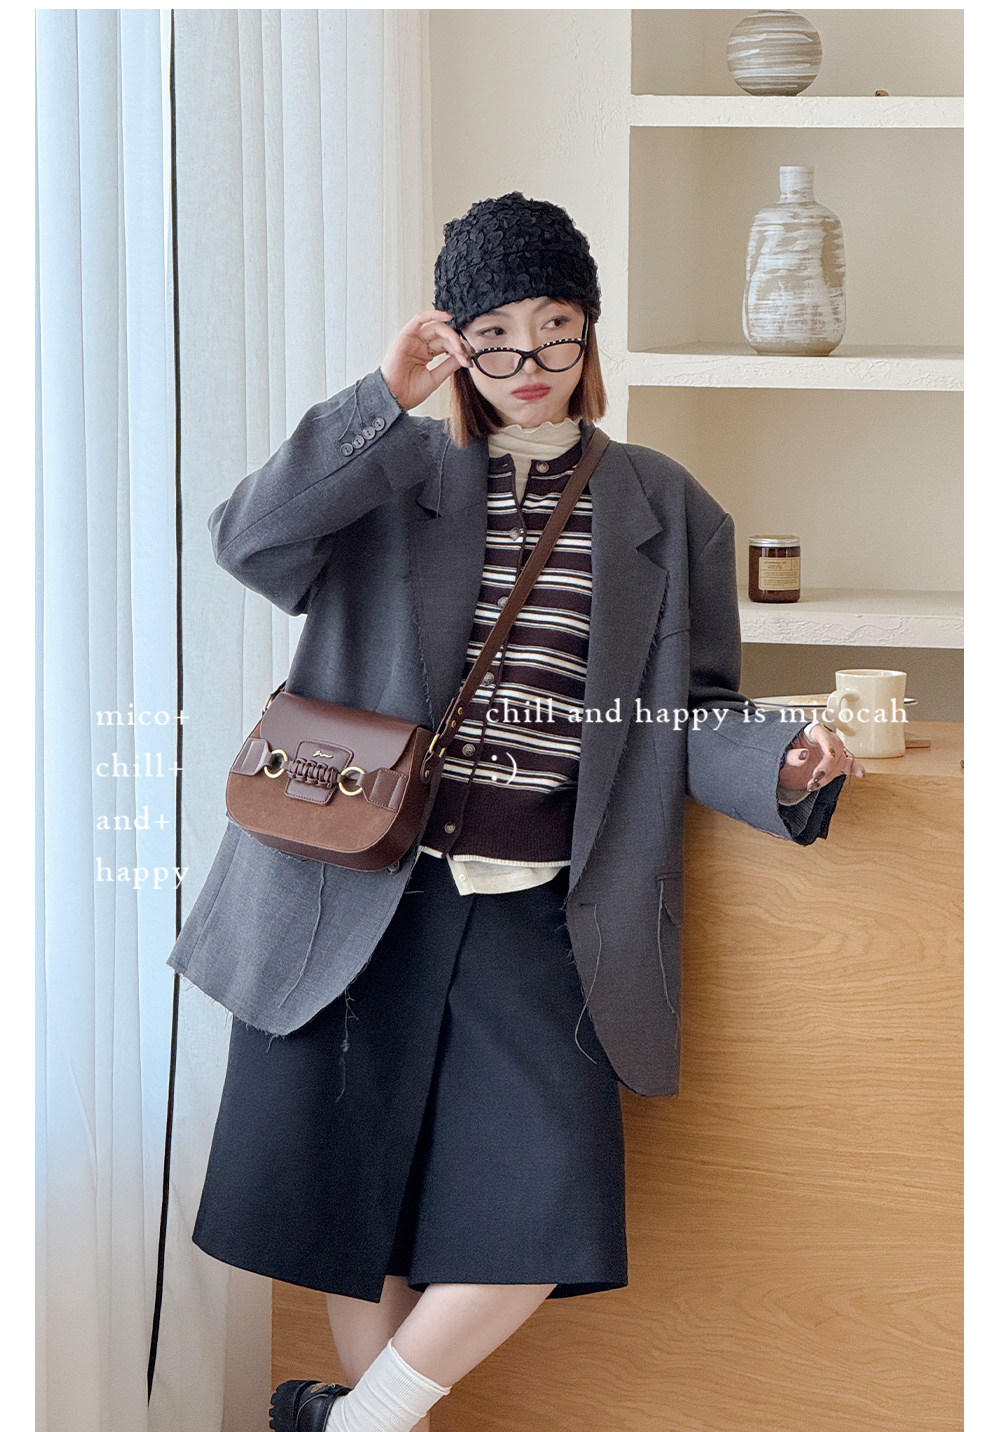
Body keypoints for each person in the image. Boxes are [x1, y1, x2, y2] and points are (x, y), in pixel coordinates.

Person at [168, 193, 863, 1432]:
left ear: (589, 333)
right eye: (493, 334)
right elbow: (245, 540)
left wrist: (781, 761)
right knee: (350, 1204)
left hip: (541, 911)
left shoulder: (666, 506)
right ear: (452, 341)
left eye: (554, 328)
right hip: (353, 891)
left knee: (540, 1205)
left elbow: (691, 708)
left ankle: (352, 1420)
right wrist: (381, 399)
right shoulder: (393, 472)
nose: (528, 361)